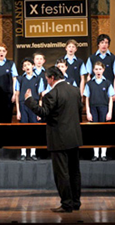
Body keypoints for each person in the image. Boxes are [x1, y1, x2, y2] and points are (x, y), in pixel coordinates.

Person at [24, 66, 83, 213]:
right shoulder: (75, 91)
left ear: (51, 78)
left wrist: (29, 100)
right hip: (74, 137)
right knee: (74, 171)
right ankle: (76, 202)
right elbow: (78, 110)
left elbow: (43, 113)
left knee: (62, 173)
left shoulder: (52, 93)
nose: (47, 82)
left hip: (59, 139)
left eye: (47, 79)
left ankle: (67, 204)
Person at [85, 34, 115, 121]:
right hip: (95, 94)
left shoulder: (113, 58)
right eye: (102, 42)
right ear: (98, 44)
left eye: (106, 43)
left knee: (111, 118)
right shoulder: (92, 58)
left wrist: (114, 92)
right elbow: (88, 76)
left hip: (108, 92)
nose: (104, 45)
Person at [84, 61, 114, 161]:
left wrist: (109, 112)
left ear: (103, 70)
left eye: (100, 69)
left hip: (104, 107)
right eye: (96, 69)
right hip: (93, 108)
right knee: (94, 131)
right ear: (93, 70)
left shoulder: (107, 83)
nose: (98, 71)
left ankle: (103, 154)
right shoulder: (89, 84)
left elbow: (110, 98)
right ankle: (96, 154)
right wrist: (88, 112)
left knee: (104, 131)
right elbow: (87, 98)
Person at [15, 57, 44, 161]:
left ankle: (33, 152)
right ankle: (23, 152)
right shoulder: (20, 79)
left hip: (34, 105)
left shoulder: (38, 79)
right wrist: (18, 111)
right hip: (23, 105)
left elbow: (41, 96)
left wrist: (39, 111)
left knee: (34, 129)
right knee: (23, 129)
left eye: (29, 65)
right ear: (23, 68)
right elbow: (17, 95)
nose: (27, 67)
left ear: (33, 66)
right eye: (25, 65)